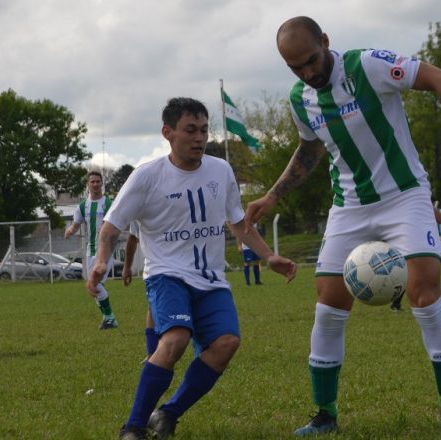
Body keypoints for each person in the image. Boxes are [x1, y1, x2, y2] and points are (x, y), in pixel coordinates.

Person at [244, 16, 441, 436]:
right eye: (295, 68)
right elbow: (310, 149)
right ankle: (324, 415)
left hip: (404, 196)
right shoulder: (300, 98)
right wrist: (273, 195)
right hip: (349, 207)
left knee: (424, 291)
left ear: (326, 42)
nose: (308, 73)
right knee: (327, 305)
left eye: (311, 60)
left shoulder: (368, 66)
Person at [87, 98, 297, 440]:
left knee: (227, 343)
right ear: (168, 133)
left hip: (212, 279)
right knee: (176, 339)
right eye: (190, 130)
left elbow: (239, 222)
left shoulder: (221, 170)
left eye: (203, 130)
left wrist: (268, 256)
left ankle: (168, 413)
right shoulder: (147, 177)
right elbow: (111, 227)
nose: (199, 138)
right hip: (166, 275)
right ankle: (133, 428)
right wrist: (101, 262)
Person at [65, 171, 119, 330]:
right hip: (90, 250)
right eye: (92, 182)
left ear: (102, 184)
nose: (95, 184)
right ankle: (107, 318)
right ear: (88, 185)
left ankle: (110, 317)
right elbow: (76, 224)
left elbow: (112, 225)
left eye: (98, 181)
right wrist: (70, 231)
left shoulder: (109, 203)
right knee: (92, 287)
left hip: (106, 251)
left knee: (95, 284)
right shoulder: (83, 206)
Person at [391, 206, 441, 311]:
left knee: (413, 276)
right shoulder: (415, 205)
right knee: (411, 276)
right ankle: (397, 302)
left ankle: (396, 303)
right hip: (413, 241)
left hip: (421, 240)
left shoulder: (424, 207)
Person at [122, 222, 158, 360]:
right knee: (152, 307)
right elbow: (132, 237)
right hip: (156, 269)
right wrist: (127, 267)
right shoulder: (139, 205)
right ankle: (152, 352)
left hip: (186, 264)